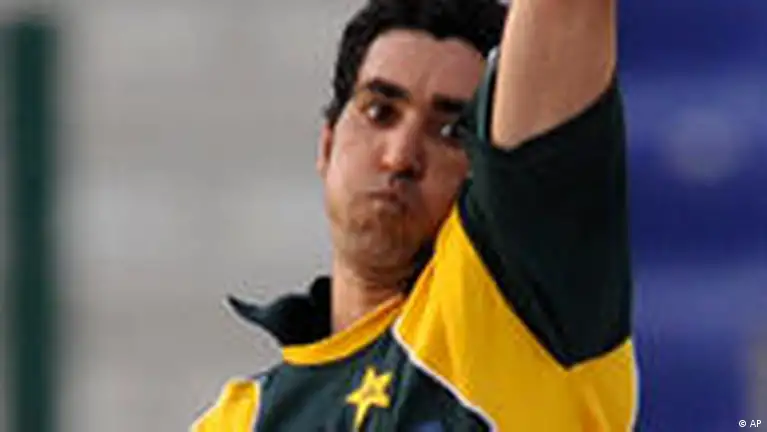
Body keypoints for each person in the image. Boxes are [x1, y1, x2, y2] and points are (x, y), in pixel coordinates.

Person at [192, 0, 636, 429]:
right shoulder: (238, 421)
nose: (401, 156)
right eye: (379, 112)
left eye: (448, 132)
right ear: (327, 145)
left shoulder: (516, 303)